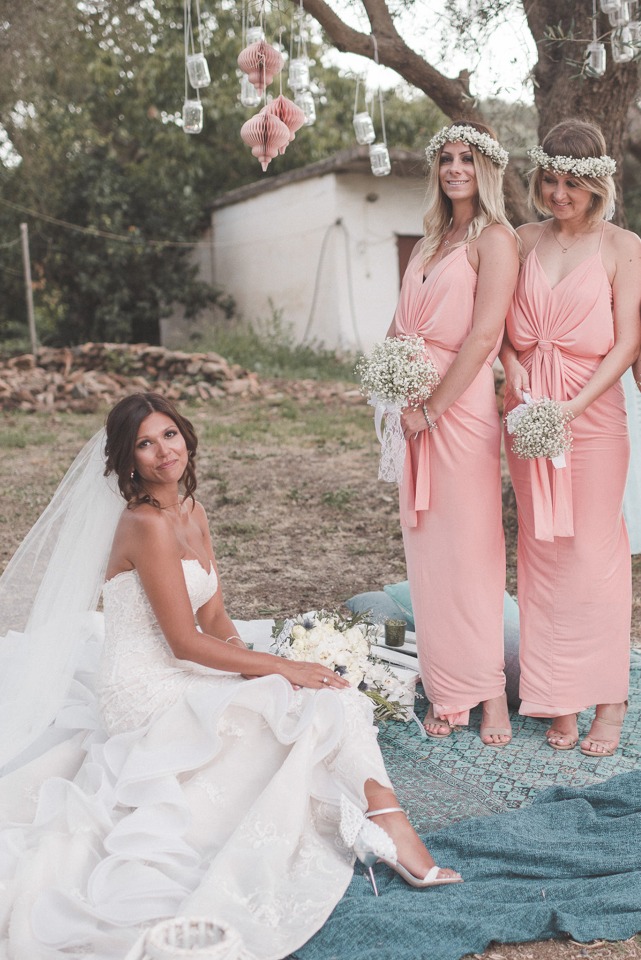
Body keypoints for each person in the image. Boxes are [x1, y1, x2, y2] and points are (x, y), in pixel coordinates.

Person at [0, 392, 460, 960]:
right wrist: (281, 667)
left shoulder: (191, 511)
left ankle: (389, 824)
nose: (163, 451)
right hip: (141, 685)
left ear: (186, 437)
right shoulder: (145, 524)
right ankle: (391, 829)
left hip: (186, 664)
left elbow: (215, 617)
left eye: (169, 435)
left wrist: (265, 677)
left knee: (324, 702)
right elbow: (184, 640)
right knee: (300, 702)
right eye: (145, 444)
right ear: (127, 462)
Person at [501, 119, 641, 756]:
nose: (560, 194)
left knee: (593, 554)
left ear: (597, 184)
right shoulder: (522, 239)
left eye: (573, 184)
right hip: (529, 412)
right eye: (551, 181)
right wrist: (516, 370)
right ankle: (557, 696)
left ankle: (609, 700)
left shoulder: (623, 246)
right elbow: (497, 323)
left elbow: (628, 341)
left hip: (591, 415)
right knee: (542, 551)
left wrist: (572, 407)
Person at [387, 121, 519, 744]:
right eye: (446, 158)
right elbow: (397, 323)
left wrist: (433, 406)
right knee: (429, 552)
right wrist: (391, 384)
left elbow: (485, 336)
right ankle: (448, 688)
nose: (455, 168)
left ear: (486, 168)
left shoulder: (496, 239)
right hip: (411, 403)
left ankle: (487, 691)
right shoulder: (427, 242)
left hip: (459, 408)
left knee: (469, 549)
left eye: (467, 158)